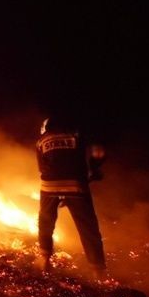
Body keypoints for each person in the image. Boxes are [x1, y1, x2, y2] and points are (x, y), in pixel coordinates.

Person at [35, 117, 106, 277]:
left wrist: (57, 190)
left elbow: (42, 168)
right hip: (76, 185)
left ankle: (44, 259)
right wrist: (95, 169)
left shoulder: (41, 141)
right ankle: (98, 271)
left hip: (49, 185)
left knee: (45, 221)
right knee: (88, 227)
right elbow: (98, 150)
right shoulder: (76, 135)